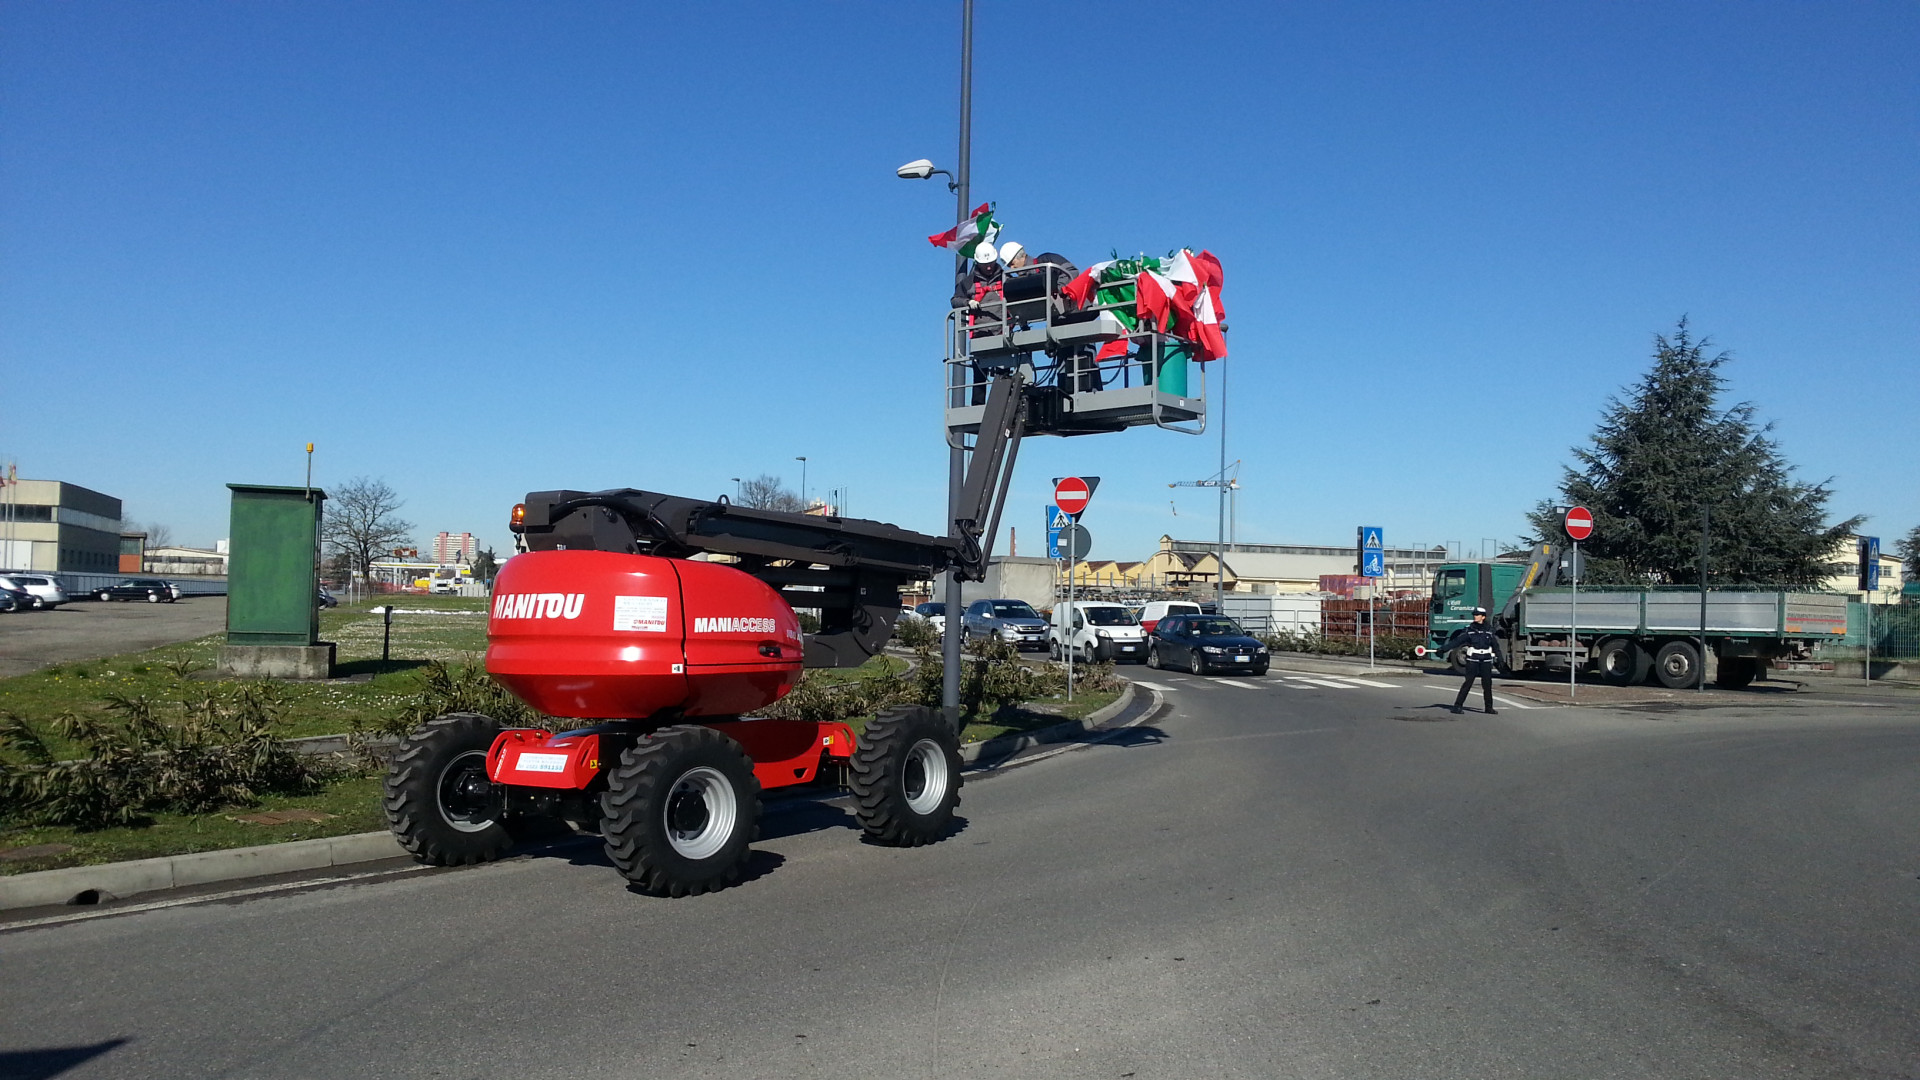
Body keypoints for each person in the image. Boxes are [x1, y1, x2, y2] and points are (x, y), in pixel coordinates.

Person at [1442, 607, 1506, 715]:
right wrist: (1445, 648)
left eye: (1477, 615)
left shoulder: (1489, 630)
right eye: (1475, 615)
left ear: (1483, 617)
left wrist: (1500, 659)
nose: (1475, 616)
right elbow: (1457, 641)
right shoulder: (1470, 630)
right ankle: (1457, 706)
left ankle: (1488, 707)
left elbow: (1495, 646)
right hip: (1473, 659)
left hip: (1486, 659)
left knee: (1487, 684)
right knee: (1468, 683)